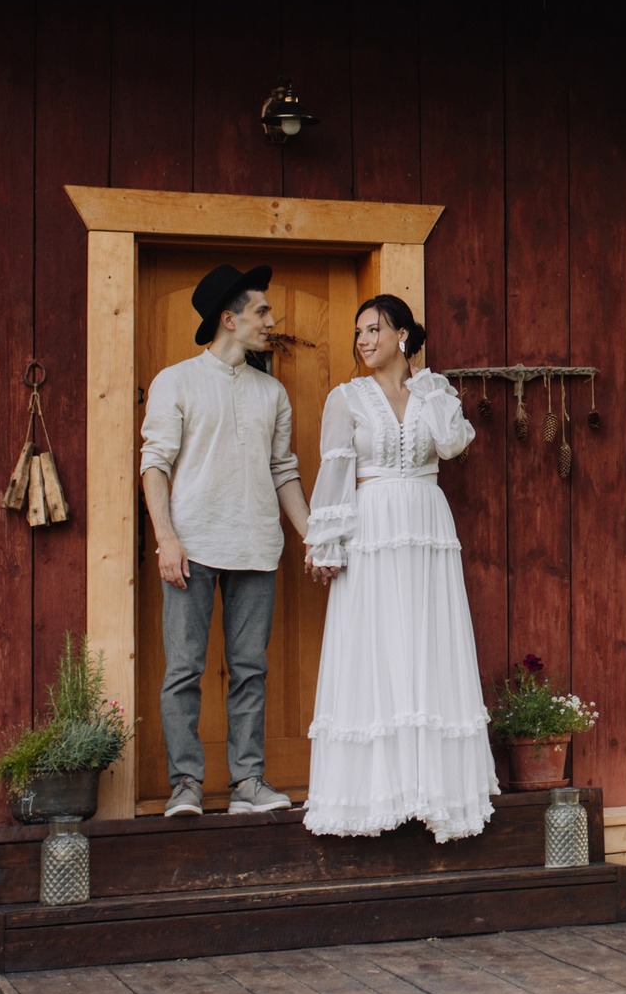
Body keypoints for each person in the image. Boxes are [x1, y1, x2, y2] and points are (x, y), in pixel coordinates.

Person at [300, 295, 496, 840]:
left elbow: (454, 446)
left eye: (375, 330)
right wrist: (327, 541)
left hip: (427, 526)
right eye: (358, 331)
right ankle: (371, 796)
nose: (364, 340)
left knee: (428, 643)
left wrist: (431, 391)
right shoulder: (347, 398)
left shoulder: (434, 391)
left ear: (403, 335)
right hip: (373, 527)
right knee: (376, 645)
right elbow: (336, 470)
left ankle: (432, 789)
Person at [138, 264, 309, 818]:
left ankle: (248, 784)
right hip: (191, 548)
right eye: (262, 311)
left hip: (257, 548)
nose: (271, 321)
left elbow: (284, 471)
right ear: (228, 319)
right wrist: (166, 538)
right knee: (184, 670)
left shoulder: (274, 392)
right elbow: (154, 465)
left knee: (250, 669)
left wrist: (312, 537)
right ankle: (185, 784)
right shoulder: (175, 381)